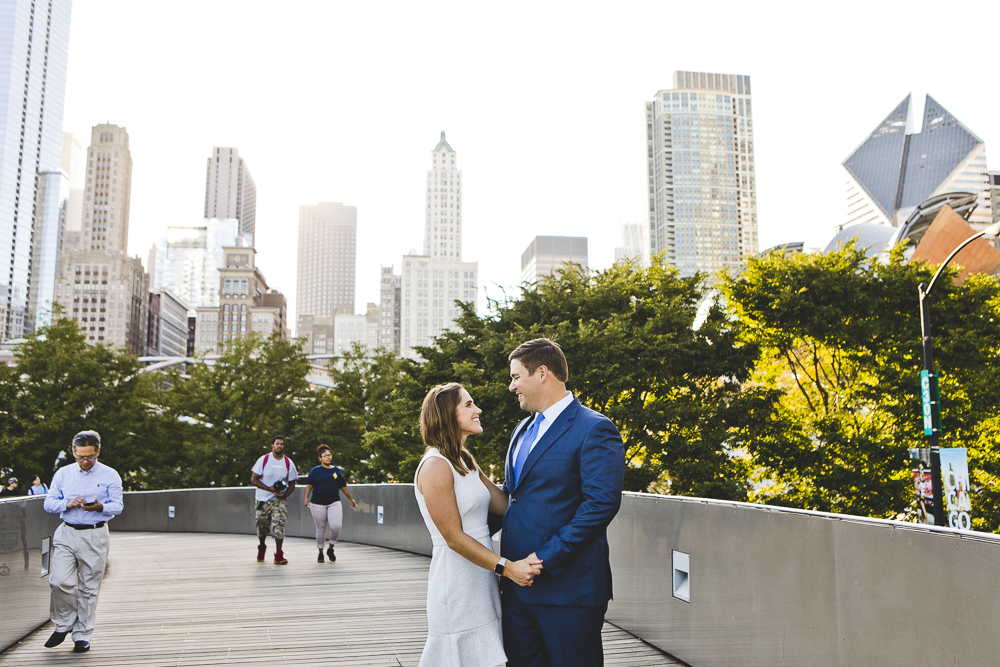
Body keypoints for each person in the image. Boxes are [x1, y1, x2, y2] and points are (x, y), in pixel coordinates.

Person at [501, 338, 625, 667]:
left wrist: (542, 559)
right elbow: (512, 496)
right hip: (516, 590)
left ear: (542, 373)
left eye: (516, 377)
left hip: (568, 594)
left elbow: (600, 505)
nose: (511, 386)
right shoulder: (521, 430)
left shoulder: (595, 428)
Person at [414, 382, 542, 667]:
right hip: (456, 584)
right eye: (469, 404)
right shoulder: (435, 466)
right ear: (448, 414)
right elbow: (454, 538)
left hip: (482, 579)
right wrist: (507, 568)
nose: (478, 409)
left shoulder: (464, 460)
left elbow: (506, 504)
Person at [42, 430, 124, 654]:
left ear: (98, 452)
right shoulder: (63, 474)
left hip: (95, 534)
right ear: (73, 452)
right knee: (59, 581)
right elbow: (49, 503)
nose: (85, 461)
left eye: (90, 457)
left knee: (89, 588)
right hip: (67, 532)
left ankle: (82, 635)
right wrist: (67, 503)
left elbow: (118, 505)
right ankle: (64, 623)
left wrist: (100, 507)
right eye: (80, 457)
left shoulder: (110, 475)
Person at [303, 444, 357, 562]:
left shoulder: (336, 471)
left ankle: (331, 548)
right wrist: (306, 498)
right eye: (325, 456)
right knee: (321, 528)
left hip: (334, 502)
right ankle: (320, 552)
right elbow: (309, 485)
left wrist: (351, 499)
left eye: (329, 455)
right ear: (320, 458)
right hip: (317, 503)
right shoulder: (315, 471)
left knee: (336, 526)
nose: (328, 457)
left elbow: (342, 486)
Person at [250, 436, 297, 564]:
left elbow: (293, 482)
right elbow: (254, 479)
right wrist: (269, 489)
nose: (279, 446)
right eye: (277, 443)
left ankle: (279, 554)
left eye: (282, 444)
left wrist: (286, 494)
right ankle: (261, 546)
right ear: (272, 445)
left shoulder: (287, 462)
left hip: (279, 500)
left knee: (279, 525)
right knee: (262, 527)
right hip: (263, 499)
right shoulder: (264, 460)